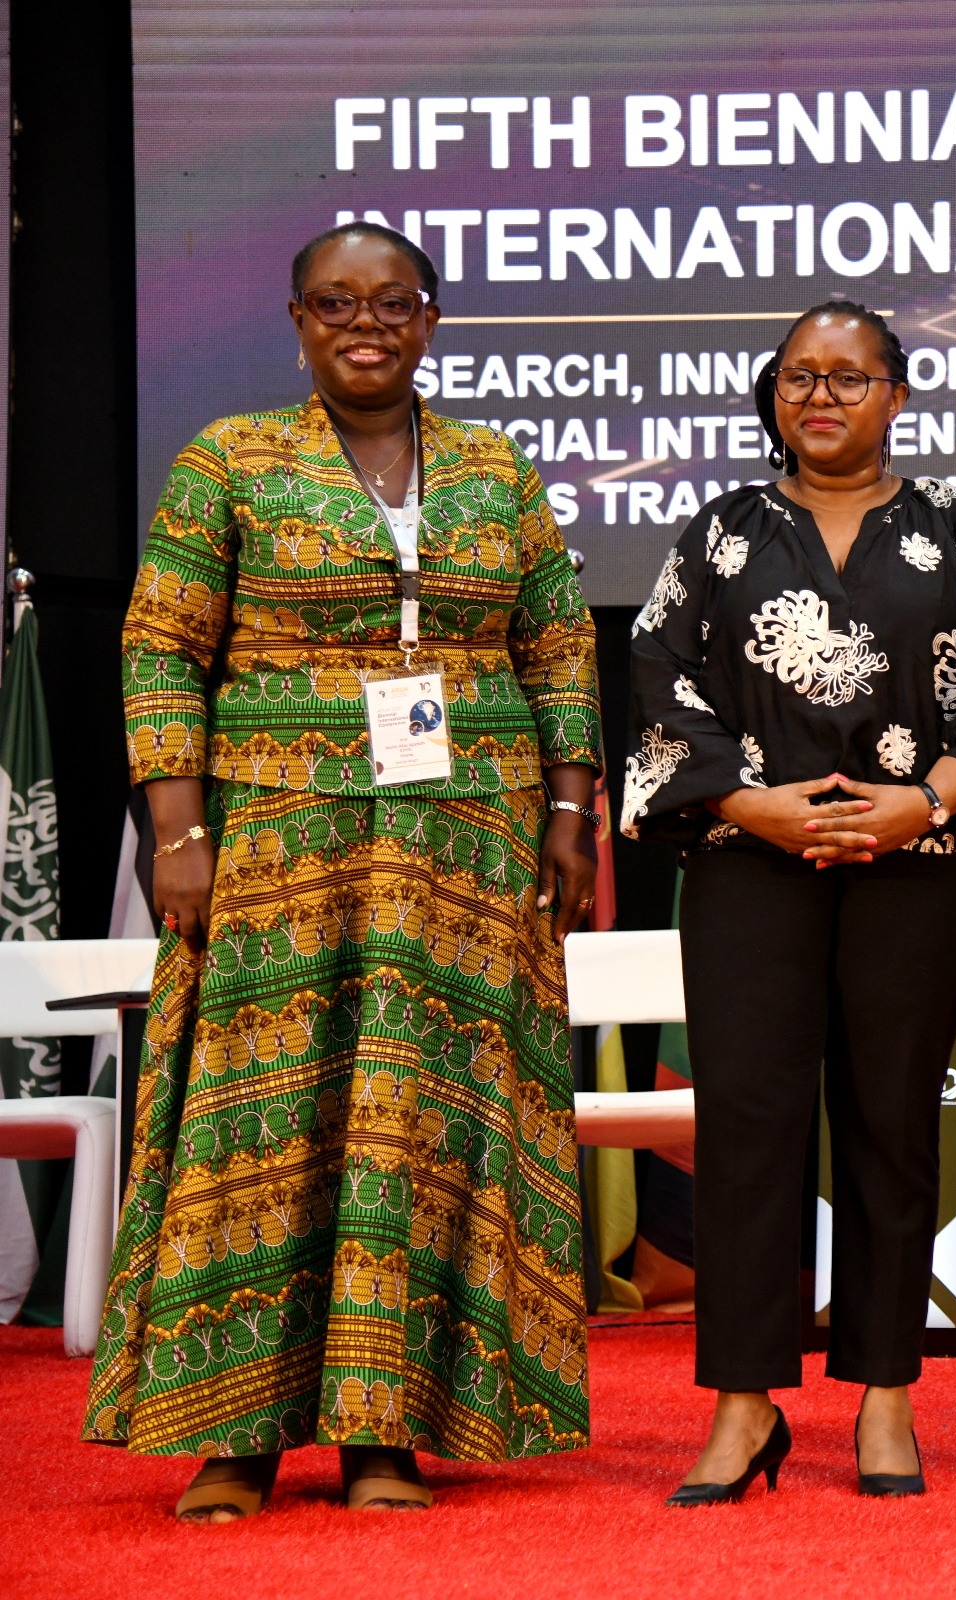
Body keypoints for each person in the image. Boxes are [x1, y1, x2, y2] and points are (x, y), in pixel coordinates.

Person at [87, 222, 602, 1518]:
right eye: (334, 303)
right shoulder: (232, 462)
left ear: (431, 317)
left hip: (466, 848)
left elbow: (556, 645)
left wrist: (575, 807)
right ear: (299, 319)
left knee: (422, 1117)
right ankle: (234, 1437)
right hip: (278, 842)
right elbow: (160, 649)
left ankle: (389, 1435)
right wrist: (177, 830)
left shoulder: (494, 467)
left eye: (391, 302)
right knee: (265, 1113)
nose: (363, 325)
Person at [623, 300, 956, 1505]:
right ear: (772, 395)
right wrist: (751, 806)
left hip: (922, 863)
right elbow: (657, 675)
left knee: (893, 1126)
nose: (822, 399)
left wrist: (934, 800)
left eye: (849, 379)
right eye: (800, 378)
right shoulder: (721, 531)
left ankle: (887, 1396)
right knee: (748, 1130)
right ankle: (744, 1403)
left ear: (897, 395)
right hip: (753, 867)